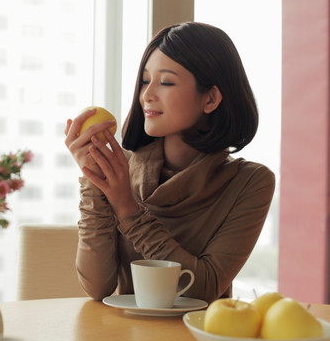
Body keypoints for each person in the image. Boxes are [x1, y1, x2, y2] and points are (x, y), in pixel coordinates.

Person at [64, 22, 275, 304]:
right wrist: (94, 179)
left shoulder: (250, 182)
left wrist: (128, 210)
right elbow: (98, 287)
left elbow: (204, 287)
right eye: (144, 81)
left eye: (166, 82)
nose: (146, 95)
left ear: (210, 98)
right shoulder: (120, 169)